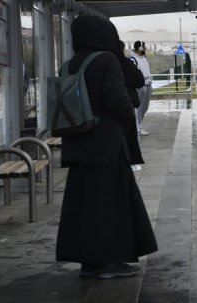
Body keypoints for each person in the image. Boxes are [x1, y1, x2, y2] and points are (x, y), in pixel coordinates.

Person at [56, 15, 157, 278]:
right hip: (106, 146)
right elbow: (119, 103)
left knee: (84, 206)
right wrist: (127, 112)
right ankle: (110, 263)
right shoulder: (106, 60)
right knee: (110, 205)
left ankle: (89, 264)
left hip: (77, 144)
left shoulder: (68, 65)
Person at [116, 41, 145, 172]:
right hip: (128, 104)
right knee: (132, 132)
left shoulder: (99, 63)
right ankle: (131, 162)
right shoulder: (128, 64)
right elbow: (139, 81)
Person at [130, 41, 152, 136]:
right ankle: (138, 126)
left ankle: (140, 124)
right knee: (139, 106)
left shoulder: (144, 58)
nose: (145, 49)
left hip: (148, 85)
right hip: (140, 87)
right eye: (144, 47)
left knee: (145, 107)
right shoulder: (133, 59)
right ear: (140, 49)